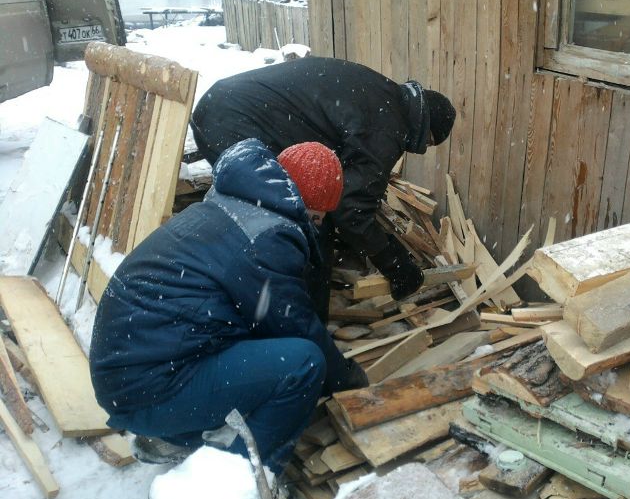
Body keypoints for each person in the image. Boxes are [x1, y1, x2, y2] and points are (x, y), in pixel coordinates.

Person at [89, 139, 368, 470]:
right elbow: (298, 326)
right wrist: (349, 381)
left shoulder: (230, 205)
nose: (316, 228)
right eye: (318, 219)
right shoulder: (267, 237)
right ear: (305, 206)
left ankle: (175, 435)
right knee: (302, 365)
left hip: (127, 376)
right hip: (152, 388)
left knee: (257, 342)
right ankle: (239, 486)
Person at [190, 57, 456, 307]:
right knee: (295, 221)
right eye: (428, 143)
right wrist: (395, 264)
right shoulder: (388, 128)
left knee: (303, 215)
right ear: (425, 130)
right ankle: (295, 318)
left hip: (223, 104)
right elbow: (349, 209)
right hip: (234, 122)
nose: (419, 148)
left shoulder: (383, 94)